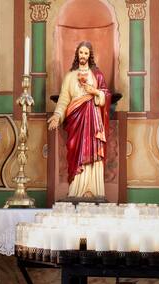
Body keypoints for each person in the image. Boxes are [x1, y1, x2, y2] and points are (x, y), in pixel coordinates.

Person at [48, 41, 110, 200]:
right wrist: (57, 115)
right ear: (77, 54)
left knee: (93, 150)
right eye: (81, 53)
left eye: (86, 53)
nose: (83, 56)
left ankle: (93, 189)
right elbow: (63, 100)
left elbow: (106, 95)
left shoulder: (97, 75)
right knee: (77, 150)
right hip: (76, 121)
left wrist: (94, 91)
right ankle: (76, 189)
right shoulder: (69, 77)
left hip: (94, 120)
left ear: (90, 56)